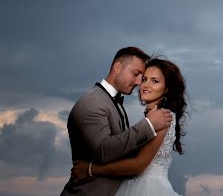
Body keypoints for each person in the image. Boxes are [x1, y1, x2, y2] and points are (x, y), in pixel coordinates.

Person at [61, 47, 174, 196]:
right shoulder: (92, 102)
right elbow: (104, 151)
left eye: (144, 77)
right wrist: (149, 125)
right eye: (137, 74)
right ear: (117, 67)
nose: (140, 82)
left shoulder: (115, 103)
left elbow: (128, 154)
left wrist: (90, 169)